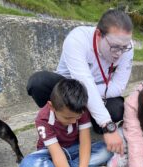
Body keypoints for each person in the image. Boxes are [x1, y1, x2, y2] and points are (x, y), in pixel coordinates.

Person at [26, 9, 134, 155]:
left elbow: (118, 87)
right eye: (114, 47)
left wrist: (94, 95)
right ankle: (61, 123)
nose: (119, 53)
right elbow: (84, 83)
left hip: (98, 94)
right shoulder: (77, 39)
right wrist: (108, 126)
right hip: (69, 90)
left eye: (124, 48)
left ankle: (85, 122)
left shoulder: (126, 46)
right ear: (98, 35)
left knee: (118, 109)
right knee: (38, 83)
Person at [19, 79, 114, 167]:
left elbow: (85, 142)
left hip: (74, 149)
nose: (73, 121)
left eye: (77, 117)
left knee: (106, 149)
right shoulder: (43, 119)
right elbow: (57, 154)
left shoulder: (80, 109)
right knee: (26, 164)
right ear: (52, 106)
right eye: (68, 118)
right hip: (51, 154)